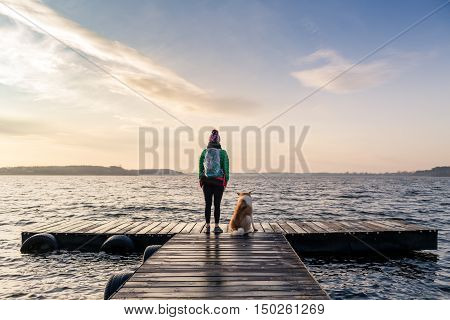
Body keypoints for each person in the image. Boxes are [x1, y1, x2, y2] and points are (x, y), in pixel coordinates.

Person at [199, 129, 229, 234]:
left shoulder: (204, 152)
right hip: (218, 182)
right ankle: (216, 227)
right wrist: (225, 182)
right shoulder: (223, 153)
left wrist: (201, 180)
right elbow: (226, 169)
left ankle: (207, 226)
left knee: (208, 204)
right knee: (217, 205)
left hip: (206, 182)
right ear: (219, 141)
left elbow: (200, 167)